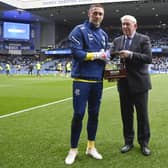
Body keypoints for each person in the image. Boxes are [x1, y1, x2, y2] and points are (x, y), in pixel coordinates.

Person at [65, 3, 110, 165]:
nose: (97, 16)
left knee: (94, 114)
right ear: (89, 13)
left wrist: (108, 66)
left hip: (97, 81)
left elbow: (105, 56)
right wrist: (98, 55)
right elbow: (77, 53)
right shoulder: (79, 30)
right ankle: (73, 150)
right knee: (78, 114)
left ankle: (91, 147)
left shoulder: (104, 34)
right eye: (95, 13)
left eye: (100, 14)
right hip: (82, 80)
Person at [112, 15, 152, 156]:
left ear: (135, 25)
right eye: (123, 24)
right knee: (126, 115)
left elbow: (148, 58)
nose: (124, 27)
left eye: (127, 24)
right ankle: (128, 142)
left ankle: (144, 143)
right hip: (123, 84)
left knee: (142, 116)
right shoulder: (117, 41)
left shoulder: (143, 39)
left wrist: (131, 54)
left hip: (140, 84)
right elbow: (111, 57)